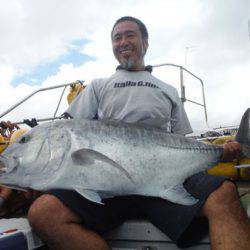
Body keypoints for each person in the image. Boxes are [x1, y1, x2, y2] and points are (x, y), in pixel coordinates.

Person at [27, 16, 250, 250]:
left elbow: (183, 141)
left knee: (224, 194)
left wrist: (219, 153)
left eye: (130, 35)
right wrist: (42, 173)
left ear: (145, 42)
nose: (123, 41)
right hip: (106, 190)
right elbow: (66, 134)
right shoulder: (98, 87)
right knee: (43, 213)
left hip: (162, 182)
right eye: (117, 37)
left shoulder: (168, 90)